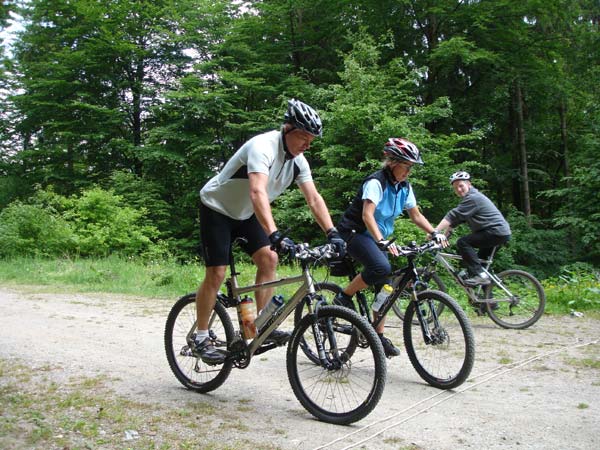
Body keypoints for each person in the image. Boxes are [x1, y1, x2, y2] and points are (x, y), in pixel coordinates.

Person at [194, 99, 346, 365]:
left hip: (244, 214)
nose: (308, 145)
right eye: (304, 137)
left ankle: (260, 325)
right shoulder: (262, 146)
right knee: (216, 273)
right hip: (216, 208)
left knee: (269, 259)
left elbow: (314, 199)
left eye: (312, 140)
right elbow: (257, 192)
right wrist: (274, 233)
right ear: (287, 129)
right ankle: (201, 336)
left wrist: (332, 232)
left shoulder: (299, 161)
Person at [334, 138, 448, 357]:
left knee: (385, 287)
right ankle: (344, 296)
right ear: (393, 162)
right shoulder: (376, 182)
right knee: (380, 267)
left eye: (411, 168)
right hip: (355, 232)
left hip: (377, 237)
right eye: (406, 167)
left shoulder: (404, 187)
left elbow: (415, 215)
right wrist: (381, 241)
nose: (408, 172)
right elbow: (367, 215)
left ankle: (378, 335)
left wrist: (434, 232)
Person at [433, 171, 511, 286]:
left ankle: (480, 276)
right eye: (455, 188)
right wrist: (444, 237)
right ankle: (488, 302)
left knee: (463, 242)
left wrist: (434, 231)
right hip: (498, 233)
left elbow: (452, 215)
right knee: (478, 265)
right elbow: (455, 221)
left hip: (494, 232)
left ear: (469, 184)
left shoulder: (473, 198)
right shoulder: (470, 200)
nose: (459, 190)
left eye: (461, 186)